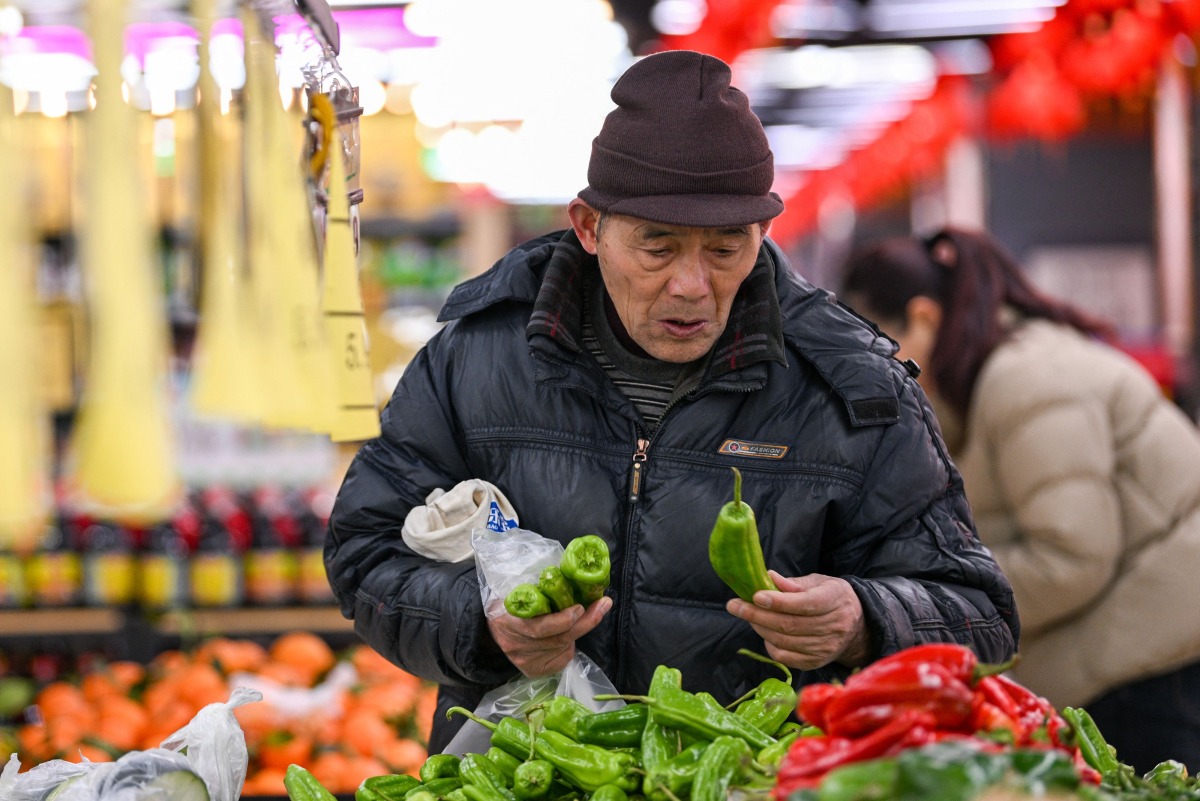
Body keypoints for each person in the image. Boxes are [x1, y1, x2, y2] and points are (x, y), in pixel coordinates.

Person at [325, 51, 1019, 753]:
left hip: (758, 779)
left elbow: (982, 615)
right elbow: (363, 548)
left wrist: (867, 617)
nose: (692, 285)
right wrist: (480, 624)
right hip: (523, 772)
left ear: (763, 235)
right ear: (590, 227)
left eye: (725, 249)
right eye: (657, 247)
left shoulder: (853, 387)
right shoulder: (476, 358)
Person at [839, 226, 1200, 773]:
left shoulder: (1029, 382)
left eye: (876, 344)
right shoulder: (974, 389)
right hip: (1140, 648)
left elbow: (1070, 558)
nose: (870, 369)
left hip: (1160, 657)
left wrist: (937, 607)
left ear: (924, 318)